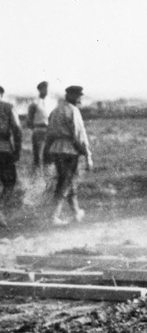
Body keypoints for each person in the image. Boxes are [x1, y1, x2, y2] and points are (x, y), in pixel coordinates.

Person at [46, 85, 92, 225]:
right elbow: (79, 136)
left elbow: (50, 133)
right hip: (69, 150)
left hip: (57, 149)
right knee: (65, 182)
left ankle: (76, 212)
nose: (79, 99)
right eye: (78, 96)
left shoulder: (55, 110)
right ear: (70, 95)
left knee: (68, 181)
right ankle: (54, 216)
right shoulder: (73, 110)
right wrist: (87, 155)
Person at [0, 87, 22, 228]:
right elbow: (17, 129)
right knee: (9, 183)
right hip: (3, 149)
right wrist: (18, 150)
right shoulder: (8, 107)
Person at [26, 81, 50, 173]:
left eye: (48, 89)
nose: (47, 91)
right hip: (39, 130)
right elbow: (29, 120)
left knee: (48, 156)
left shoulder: (50, 102)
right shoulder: (35, 103)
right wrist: (35, 129)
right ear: (40, 90)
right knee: (39, 156)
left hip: (49, 131)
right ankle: (37, 177)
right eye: (45, 89)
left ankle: (47, 176)